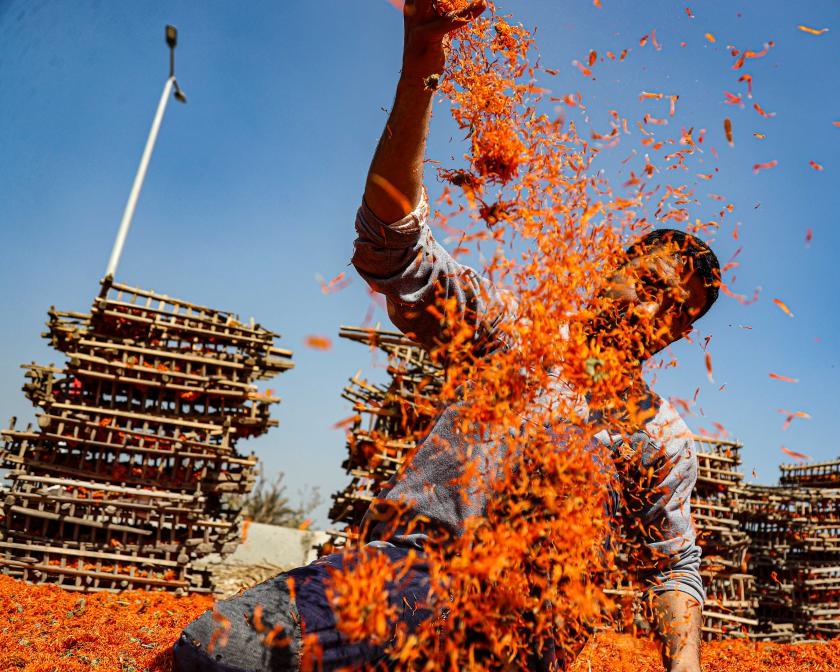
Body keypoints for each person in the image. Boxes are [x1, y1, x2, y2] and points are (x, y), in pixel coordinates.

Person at [173, 1, 719, 671]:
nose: (650, 309)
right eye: (650, 282)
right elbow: (392, 250)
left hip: (531, 621)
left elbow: (673, 566)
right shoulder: (516, 333)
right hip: (415, 573)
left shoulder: (660, 437)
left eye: (674, 307)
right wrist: (422, 58)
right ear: (611, 271)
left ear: (681, 333)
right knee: (216, 652)